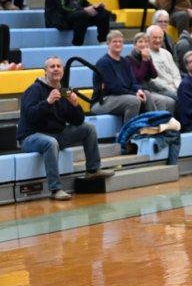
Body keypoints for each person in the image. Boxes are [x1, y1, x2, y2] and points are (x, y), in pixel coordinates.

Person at [17, 57, 115, 200]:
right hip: (31, 136)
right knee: (50, 142)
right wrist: (48, 102)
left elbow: (77, 120)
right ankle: (55, 189)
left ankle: (93, 169)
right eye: (52, 67)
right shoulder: (34, 89)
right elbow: (29, 116)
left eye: (58, 66)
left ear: (63, 70)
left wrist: (75, 105)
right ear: (45, 71)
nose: (56, 69)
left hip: (57, 134)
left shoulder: (64, 91)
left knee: (88, 128)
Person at [90, 30, 168, 124]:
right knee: (133, 101)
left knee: (146, 93)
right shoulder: (104, 62)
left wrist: (138, 90)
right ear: (108, 44)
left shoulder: (124, 61)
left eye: (120, 41)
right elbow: (114, 87)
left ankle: (154, 125)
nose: (118, 44)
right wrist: (134, 93)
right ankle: (128, 134)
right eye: (115, 41)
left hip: (121, 97)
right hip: (103, 101)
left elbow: (133, 82)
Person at [126, 32, 176, 113]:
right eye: (140, 42)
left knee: (171, 102)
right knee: (162, 101)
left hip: (149, 89)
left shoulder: (147, 56)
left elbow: (154, 74)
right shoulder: (129, 59)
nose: (144, 44)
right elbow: (138, 78)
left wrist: (148, 60)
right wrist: (145, 61)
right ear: (134, 45)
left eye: (146, 42)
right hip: (138, 91)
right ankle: (157, 122)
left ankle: (168, 123)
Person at [145, 24, 181, 101]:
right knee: (182, 98)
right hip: (160, 90)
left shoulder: (166, 53)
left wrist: (178, 87)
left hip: (174, 87)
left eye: (160, 38)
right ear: (148, 38)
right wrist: (170, 88)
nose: (158, 40)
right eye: (154, 37)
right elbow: (153, 80)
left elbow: (176, 73)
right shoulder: (145, 54)